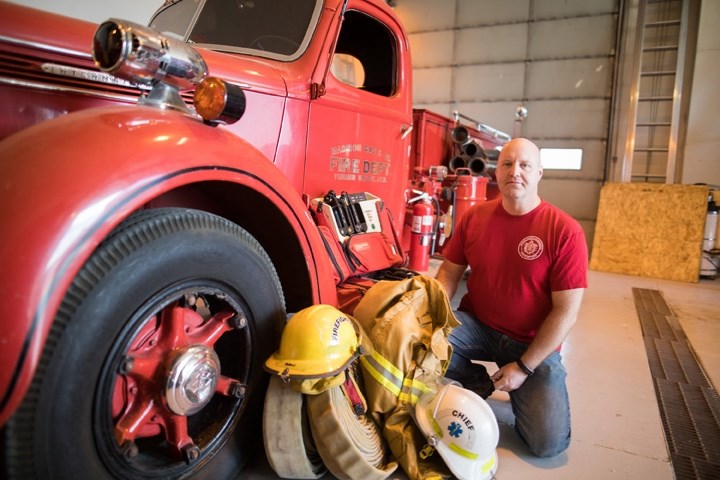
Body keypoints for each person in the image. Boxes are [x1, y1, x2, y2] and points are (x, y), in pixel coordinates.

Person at [435, 137, 588, 458]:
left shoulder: (565, 230)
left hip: (532, 344)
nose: (514, 172)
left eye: (524, 165)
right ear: (495, 171)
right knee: (423, 341)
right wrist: (431, 315)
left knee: (547, 445)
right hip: (479, 326)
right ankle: (480, 384)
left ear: (539, 173)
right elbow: (449, 273)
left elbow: (565, 313)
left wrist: (524, 367)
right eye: (507, 164)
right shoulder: (474, 218)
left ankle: (520, 384)